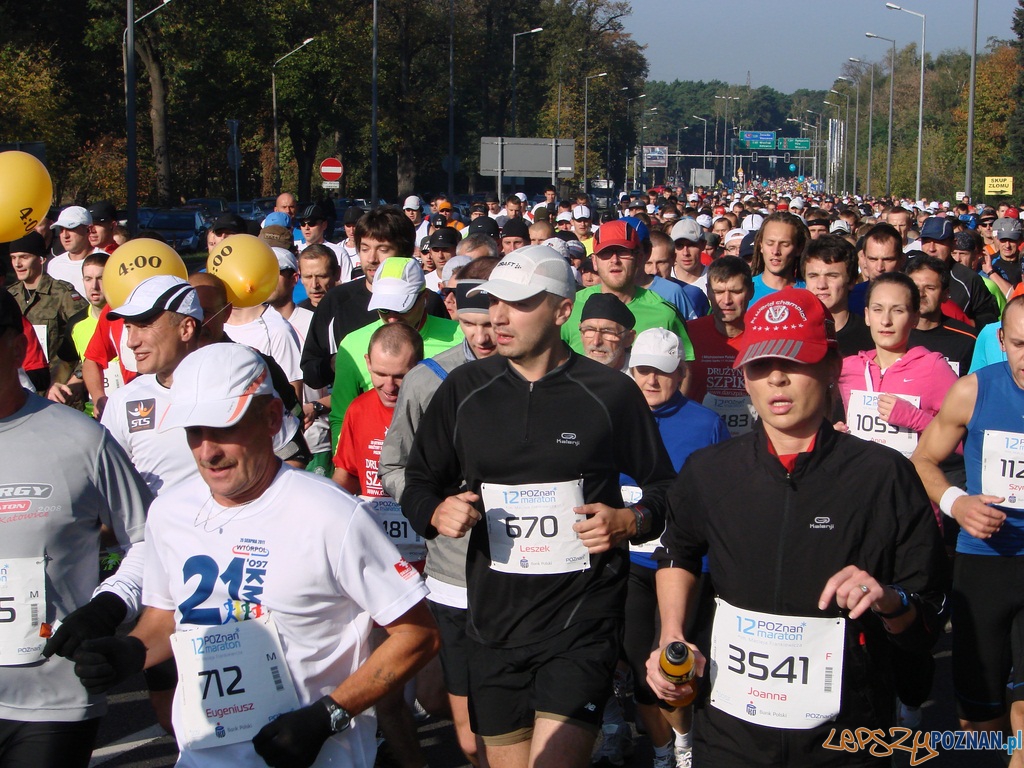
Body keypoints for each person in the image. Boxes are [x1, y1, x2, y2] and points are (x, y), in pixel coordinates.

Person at [68, 342, 439, 768]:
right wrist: (130, 652)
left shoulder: (331, 514)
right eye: (194, 432)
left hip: (314, 758)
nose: (207, 451)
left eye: (224, 429)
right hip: (201, 758)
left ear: (271, 419)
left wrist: (328, 715)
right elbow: (167, 615)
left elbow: (418, 634)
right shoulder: (169, 513)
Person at [647, 287, 948, 767]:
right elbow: (678, 552)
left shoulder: (883, 475)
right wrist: (671, 635)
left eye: (794, 361)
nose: (776, 378)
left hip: (846, 736)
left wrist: (889, 600)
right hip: (730, 734)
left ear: (831, 367)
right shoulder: (710, 471)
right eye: (760, 365)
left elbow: (926, 609)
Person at [400, 245, 676, 768]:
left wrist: (630, 520)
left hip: (581, 618)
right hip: (494, 620)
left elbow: (666, 487)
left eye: (520, 303)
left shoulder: (611, 393)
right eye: (494, 302)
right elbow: (417, 482)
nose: (499, 317)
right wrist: (434, 512)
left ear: (562, 311)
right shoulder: (464, 390)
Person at [0, 290, 150, 768]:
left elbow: (150, 540)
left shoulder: (81, 439)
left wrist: (108, 608)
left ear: (14, 347)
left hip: (51, 699)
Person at [378, 257, 499, 768]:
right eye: (470, 324)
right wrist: (433, 507)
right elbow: (394, 465)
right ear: (453, 312)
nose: (482, 337)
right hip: (454, 567)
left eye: (491, 324)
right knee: (466, 732)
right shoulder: (428, 380)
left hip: (530, 564)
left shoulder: (541, 372)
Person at [910, 296, 1024, 766]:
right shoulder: (973, 391)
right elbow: (922, 459)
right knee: (978, 722)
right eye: (1020, 344)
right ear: (1001, 341)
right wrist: (958, 503)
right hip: (984, 563)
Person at [613, 328, 729, 768]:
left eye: (662, 372)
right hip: (629, 562)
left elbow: (723, 499)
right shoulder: (614, 418)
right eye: (642, 370)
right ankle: (664, 752)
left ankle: (683, 743)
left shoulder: (705, 424)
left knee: (673, 667)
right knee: (640, 666)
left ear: (680, 373)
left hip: (684, 565)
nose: (651, 380)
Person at [301, 208, 448, 390]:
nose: (372, 259)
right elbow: (310, 373)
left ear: (405, 252)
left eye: (383, 249)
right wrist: (341, 361)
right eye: (364, 249)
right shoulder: (336, 300)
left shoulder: (427, 301)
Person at [329, 257, 463, 446]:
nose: (392, 318)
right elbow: (341, 417)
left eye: (402, 308)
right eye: (384, 309)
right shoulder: (352, 344)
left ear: (424, 298)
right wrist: (343, 460)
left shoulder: (460, 337)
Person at [562, 220, 692, 361]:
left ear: (639, 258)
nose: (614, 260)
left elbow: (684, 368)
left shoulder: (665, 314)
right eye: (606, 253)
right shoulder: (571, 307)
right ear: (594, 261)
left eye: (623, 252)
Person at [683, 256, 755, 437]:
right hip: (700, 437)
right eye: (719, 292)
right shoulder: (689, 333)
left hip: (751, 439)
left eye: (736, 291)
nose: (727, 300)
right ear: (708, 292)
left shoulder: (764, 335)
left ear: (751, 291)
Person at [6, 230, 86, 386]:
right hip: (19, 386)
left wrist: (77, 377)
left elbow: (89, 336)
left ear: (41, 259)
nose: (17, 264)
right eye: (13, 258)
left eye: (24, 257)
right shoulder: (9, 296)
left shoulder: (61, 293)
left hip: (57, 386)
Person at [801, 234, 874, 357]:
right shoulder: (792, 333)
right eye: (813, 276)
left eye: (832, 276)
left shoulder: (871, 337)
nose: (821, 285)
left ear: (851, 281)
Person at [906, 255, 978, 376]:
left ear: (945, 294)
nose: (921, 294)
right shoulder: (890, 333)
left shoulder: (967, 339)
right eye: (915, 288)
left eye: (930, 288)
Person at [749, 212, 808, 304]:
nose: (775, 251)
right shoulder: (744, 290)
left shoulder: (809, 292)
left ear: (798, 249)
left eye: (785, 244)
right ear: (761, 245)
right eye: (770, 243)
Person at [578, 293, 636, 373]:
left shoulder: (643, 375)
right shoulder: (568, 374)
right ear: (581, 334)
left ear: (628, 338)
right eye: (590, 330)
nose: (596, 342)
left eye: (607, 332)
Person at [46, 206, 95, 296]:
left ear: (89, 229)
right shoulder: (54, 265)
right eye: (61, 229)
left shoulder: (106, 262)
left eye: (71, 228)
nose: (65, 235)